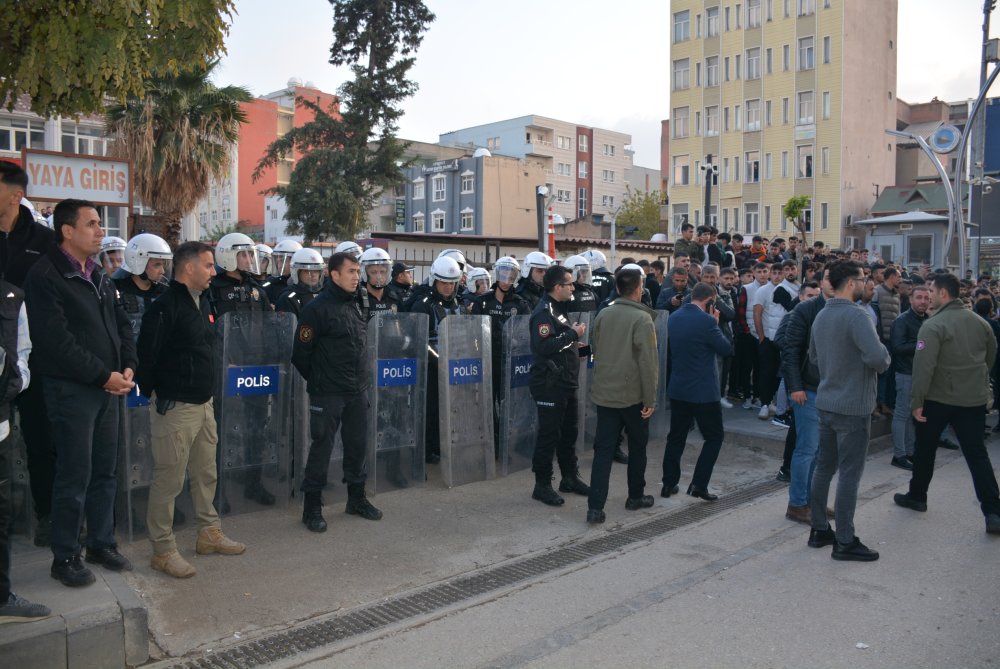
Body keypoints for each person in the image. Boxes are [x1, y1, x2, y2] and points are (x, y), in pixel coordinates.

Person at [24, 199, 137, 587]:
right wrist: (102, 375)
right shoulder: (46, 275)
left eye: (101, 224)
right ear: (67, 231)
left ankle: (101, 543)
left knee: (105, 470)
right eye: (91, 224)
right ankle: (65, 555)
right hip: (72, 391)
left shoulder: (100, 275)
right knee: (74, 474)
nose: (100, 230)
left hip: (109, 387)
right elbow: (56, 343)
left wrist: (127, 367)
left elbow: (122, 326)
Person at [135, 242, 246, 578]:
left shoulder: (203, 301)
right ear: (189, 268)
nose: (215, 272)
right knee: (168, 480)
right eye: (209, 266)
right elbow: (146, 356)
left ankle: (208, 533)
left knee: (205, 473)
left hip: (203, 404)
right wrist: (162, 395)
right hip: (176, 407)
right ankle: (163, 550)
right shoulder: (164, 306)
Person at [894, 273, 1000, 535]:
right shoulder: (980, 322)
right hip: (972, 399)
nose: (928, 295)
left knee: (925, 450)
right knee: (977, 455)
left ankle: (918, 496)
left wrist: (917, 401)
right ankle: (993, 511)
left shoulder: (933, 325)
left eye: (931, 290)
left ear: (943, 293)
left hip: (938, 399)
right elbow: (990, 354)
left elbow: (923, 367)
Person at [292, 252, 382, 532]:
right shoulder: (316, 309)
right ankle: (312, 507)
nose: (357, 276)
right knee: (322, 448)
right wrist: (321, 380)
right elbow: (300, 355)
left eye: (358, 271)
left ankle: (356, 499)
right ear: (334, 275)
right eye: (351, 271)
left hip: (357, 390)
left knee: (357, 445)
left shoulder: (357, 303)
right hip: (328, 392)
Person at [806, 260, 891, 562]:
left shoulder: (822, 315)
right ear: (851, 283)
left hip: (827, 402)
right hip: (853, 406)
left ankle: (818, 529)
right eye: (864, 278)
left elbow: (814, 358)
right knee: (849, 475)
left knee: (824, 468)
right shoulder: (857, 316)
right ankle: (844, 540)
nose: (867, 283)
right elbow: (877, 358)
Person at [0, 161, 56, 547]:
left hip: (35, 358)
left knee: (42, 440)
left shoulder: (45, 240)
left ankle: (48, 516)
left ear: (16, 194)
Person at [586, 267, 658, 524]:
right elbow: (648, 364)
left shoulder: (604, 314)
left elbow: (594, 349)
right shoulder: (642, 319)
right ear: (639, 289)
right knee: (638, 447)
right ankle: (635, 496)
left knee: (603, 451)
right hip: (633, 396)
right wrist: (650, 400)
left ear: (617, 288)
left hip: (605, 392)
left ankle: (595, 507)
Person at [208, 233, 274, 507]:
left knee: (256, 430)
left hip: (256, 371)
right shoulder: (212, 288)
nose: (249, 259)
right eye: (243, 254)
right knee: (219, 432)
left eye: (250, 254)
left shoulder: (258, 289)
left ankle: (253, 483)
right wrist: (223, 360)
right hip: (226, 369)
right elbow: (210, 331)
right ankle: (215, 492)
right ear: (227, 255)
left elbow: (270, 328)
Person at [0, 274, 50, 620]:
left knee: (0, 512)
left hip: (0, 420)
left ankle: (2, 598)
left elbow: (23, 348)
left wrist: (16, 383)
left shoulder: (11, 297)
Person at [662, 282, 732, 501]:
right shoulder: (707, 322)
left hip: (679, 388)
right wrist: (717, 324)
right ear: (710, 300)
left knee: (676, 437)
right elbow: (727, 349)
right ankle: (699, 485)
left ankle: (668, 483)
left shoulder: (673, 317)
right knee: (714, 437)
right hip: (703, 392)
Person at [527, 265, 591, 506]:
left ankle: (569, 478)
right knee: (549, 435)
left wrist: (578, 347)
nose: (573, 287)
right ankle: (542, 485)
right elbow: (544, 346)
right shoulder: (544, 312)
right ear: (557, 287)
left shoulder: (559, 310)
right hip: (549, 384)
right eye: (569, 284)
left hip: (566, 381)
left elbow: (561, 343)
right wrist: (573, 336)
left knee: (569, 433)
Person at [779, 276, 831, 523]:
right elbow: (790, 349)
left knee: (821, 451)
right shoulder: (806, 309)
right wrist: (795, 387)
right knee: (807, 449)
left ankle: (813, 501)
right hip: (807, 389)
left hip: (831, 390)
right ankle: (798, 503)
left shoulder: (844, 308)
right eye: (830, 278)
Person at [470, 256, 530, 458]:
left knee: (510, 404)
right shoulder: (482, 301)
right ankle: (490, 443)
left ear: (516, 277)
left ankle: (510, 444)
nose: (506, 278)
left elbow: (525, 334)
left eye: (511, 275)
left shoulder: (521, 303)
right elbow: (474, 334)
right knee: (487, 404)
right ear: (497, 274)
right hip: (488, 362)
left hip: (511, 363)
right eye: (503, 273)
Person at [405, 256, 464, 464]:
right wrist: (438, 360)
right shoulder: (423, 305)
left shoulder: (458, 303)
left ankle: (441, 445)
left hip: (453, 365)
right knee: (429, 410)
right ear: (434, 280)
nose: (448, 287)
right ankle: (426, 450)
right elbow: (417, 338)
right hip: (430, 367)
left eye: (452, 283)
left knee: (449, 408)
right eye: (444, 282)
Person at [888, 285, 930, 470]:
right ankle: (899, 455)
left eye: (926, 298)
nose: (923, 301)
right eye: (919, 297)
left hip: (921, 374)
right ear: (911, 299)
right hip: (905, 374)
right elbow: (897, 347)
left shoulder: (928, 320)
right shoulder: (902, 320)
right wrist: (921, 345)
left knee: (914, 414)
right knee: (902, 414)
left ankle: (911, 452)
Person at [112, 233, 172, 339]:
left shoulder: (165, 294)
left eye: (164, 265)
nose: (162, 271)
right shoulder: (116, 292)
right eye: (157, 265)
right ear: (138, 262)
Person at [274, 248, 326, 317]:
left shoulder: (324, 294)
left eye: (316, 271)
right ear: (296, 273)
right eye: (307, 271)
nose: (313, 275)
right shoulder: (288, 298)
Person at [262, 239, 303, 304]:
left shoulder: (306, 284)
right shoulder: (270, 285)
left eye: (282, 260)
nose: (279, 265)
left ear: (295, 261)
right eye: (277, 260)